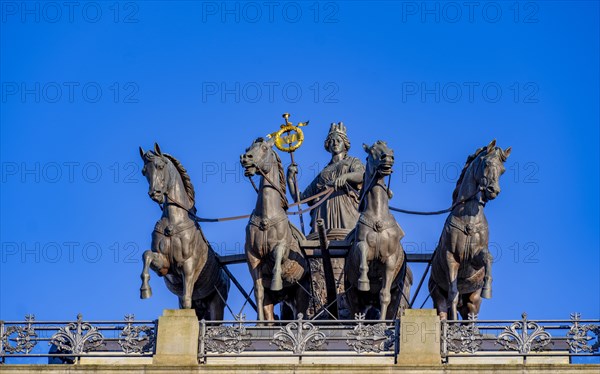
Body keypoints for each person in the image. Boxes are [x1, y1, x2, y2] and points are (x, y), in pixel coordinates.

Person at [287, 122, 365, 239]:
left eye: (339, 140)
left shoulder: (352, 161)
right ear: (327, 145)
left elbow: (362, 175)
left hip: (345, 210)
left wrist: (345, 177)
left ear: (345, 144)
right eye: (332, 141)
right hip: (323, 215)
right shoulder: (323, 173)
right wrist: (290, 179)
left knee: (350, 239)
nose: (335, 143)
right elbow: (300, 198)